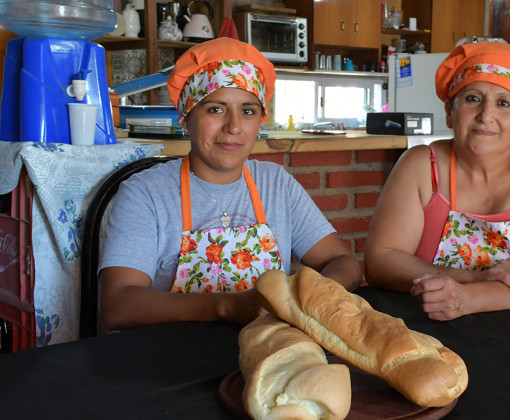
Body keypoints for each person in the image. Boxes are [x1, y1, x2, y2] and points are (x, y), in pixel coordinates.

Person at [99, 37, 361, 331]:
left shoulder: (275, 184)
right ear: (186, 119)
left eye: (247, 111)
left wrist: (313, 296)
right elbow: (117, 305)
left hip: (271, 352)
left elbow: (342, 261)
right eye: (216, 109)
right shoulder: (146, 193)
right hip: (172, 361)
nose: (234, 126)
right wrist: (227, 306)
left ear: (260, 120)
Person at [364, 41, 510, 321]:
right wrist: (473, 279)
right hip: (434, 321)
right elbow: (380, 261)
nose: (485, 115)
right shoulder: (420, 166)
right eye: (472, 99)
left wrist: (467, 299)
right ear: (449, 114)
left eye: (503, 103)